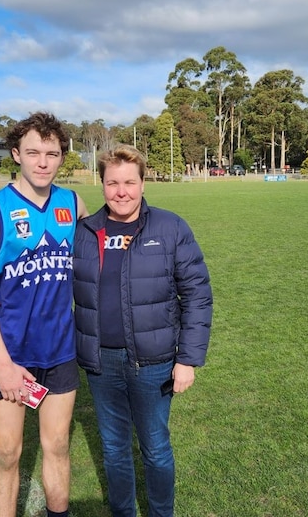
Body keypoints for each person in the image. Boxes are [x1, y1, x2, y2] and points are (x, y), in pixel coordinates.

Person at [72, 145, 213, 517]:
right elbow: (51, 279)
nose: (122, 191)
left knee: (155, 447)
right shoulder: (84, 232)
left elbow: (198, 295)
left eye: (129, 182)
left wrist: (188, 359)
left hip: (153, 363)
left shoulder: (170, 227)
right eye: (112, 182)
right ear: (100, 184)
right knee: (115, 449)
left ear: (143, 182)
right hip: (101, 363)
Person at [0, 111, 87, 517]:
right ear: (16, 154)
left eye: (52, 154)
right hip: (8, 353)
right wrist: (2, 364)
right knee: (7, 451)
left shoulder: (72, 203)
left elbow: (99, 257)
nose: (42, 162)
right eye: (33, 152)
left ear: (61, 158)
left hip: (60, 349)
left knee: (56, 445)